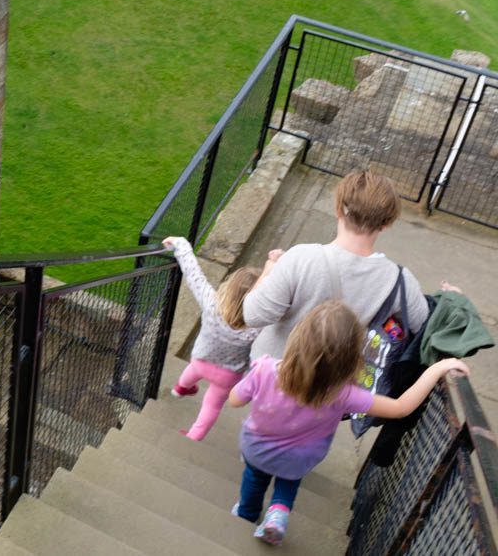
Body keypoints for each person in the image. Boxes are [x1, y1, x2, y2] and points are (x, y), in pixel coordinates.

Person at [228, 300, 468, 546]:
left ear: (296, 339)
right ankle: (277, 516)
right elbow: (400, 408)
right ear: (351, 358)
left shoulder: (265, 369)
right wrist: (436, 369)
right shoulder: (343, 395)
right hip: (300, 459)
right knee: (288, 481)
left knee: (254, 479)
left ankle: (246, 513)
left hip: (257, 448)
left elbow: (235, 400)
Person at [244, 170, 429, 361]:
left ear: (338, 209)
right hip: (332, 384)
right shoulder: (400, 281)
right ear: (387, 223)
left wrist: (268, 271)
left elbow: (253, 315)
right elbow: (422, 327)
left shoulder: (300, 259)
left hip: (271, 374)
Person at [163, 236, 266, 440]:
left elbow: (194, 275)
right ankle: (194, 435)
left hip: (201, 360)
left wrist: (181, 244)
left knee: (191, 371)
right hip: (228, 375)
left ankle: (180, 388)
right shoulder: (259, 327)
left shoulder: (212, 305)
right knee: (211, 405)